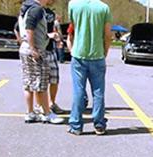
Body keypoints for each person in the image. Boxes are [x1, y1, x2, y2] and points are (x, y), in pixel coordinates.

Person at [67, 0, 112, 136]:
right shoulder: (104, 8)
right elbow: (108, 35)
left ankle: (76, 125)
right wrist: (105, 52)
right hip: (97, 55)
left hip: (79, 55)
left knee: (78, 91)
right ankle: (99, 124)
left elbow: (72, 29)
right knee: (98, 92)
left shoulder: (73, 5)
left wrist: (72, 49)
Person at [18, 0, 63, 124]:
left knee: (28, 82)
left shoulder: (26, 8)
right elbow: (29, 29)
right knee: (41, 84)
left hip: (26, 48)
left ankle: (30, 113)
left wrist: (48, 37)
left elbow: (28, 29)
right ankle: (47, 114)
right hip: (35, 50)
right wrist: (33, 49)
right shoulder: (36, 9)